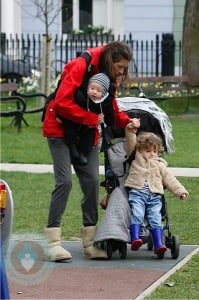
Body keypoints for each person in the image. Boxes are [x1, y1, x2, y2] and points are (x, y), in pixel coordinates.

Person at [42, 41, 139, 261]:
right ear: (110, 60)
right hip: (59, 128)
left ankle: (90, 242)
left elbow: (110, 108)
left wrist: (127, 122)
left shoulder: (109, 75)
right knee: (64, 181)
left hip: (87, 134)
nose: (122, 72)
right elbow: (61, 102)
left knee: (92, 183)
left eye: (124, 68)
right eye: (120, 67)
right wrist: (90, 118)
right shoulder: (80, 65)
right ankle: (53, 242)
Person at [124, 124, 189, 255]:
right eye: (148, 151)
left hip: (154, 196)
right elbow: (131, 144)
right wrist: (131, 131)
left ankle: (159, 244)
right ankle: (135, 238)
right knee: (137, 213)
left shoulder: (160, 165)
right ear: (140, 150)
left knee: (155, 217)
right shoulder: (136, 159)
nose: (152, 154)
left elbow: (170, 179)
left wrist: (180, 191)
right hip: (138, 193)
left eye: (155, 151)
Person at [57, 72, 111, 165]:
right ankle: (72, 148)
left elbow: (107, 116)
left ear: (103, 94)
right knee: (70, 128)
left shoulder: (103, 104)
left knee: (90, 135)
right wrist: (60, 117)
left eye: (98, 91)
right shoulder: (81, 97)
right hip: (76, 121)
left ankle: (82, 153)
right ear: (88, 88)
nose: (94, 92)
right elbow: (67, 108)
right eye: (92, 88)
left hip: (88, 126)